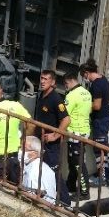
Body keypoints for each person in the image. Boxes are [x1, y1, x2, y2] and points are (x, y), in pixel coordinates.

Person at [34, 69, 71, 206]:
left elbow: (66, 119)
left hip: (51, 145)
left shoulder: (56, 99)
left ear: (53, 82)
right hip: (40, 141)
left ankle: (66, 202)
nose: (42, 81)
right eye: (41, 78)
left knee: (54, 172)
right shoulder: (41, 95)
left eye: (46, 79)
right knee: (42, 170)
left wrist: (55, 136)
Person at [0, 79, 30, 184]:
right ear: (1, 90)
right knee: (15, 188)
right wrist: (23, 139)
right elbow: (31, 123)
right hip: (13, 157)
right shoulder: (16, 105)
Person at [82, 59, 109, 187]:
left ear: (86, 72)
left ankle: (102, 178)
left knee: (99, 149)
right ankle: (108, 173)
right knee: (104, 146)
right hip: (106, 117)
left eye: (83, 75)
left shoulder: (96, 85)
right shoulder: (103, 78)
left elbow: (96, 105)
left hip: (100, 120)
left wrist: (84, 105)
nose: (84, 78)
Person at [64, 72, 92, 199]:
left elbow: (64, 115)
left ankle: (84, 192)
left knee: (78, 163)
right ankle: (70, 185)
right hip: (84, 131)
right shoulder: (86, 93)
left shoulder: (71, 96)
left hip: (75, 133)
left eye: (66, 84)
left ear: (70, 81)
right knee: (73, 161)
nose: (66, 87)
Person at [21, 136, 57, 204]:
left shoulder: (32, 172)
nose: (20, 151)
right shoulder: (44, 166)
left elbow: (33, 199)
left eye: (24, 149)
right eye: (20, 148)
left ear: (35, 154)